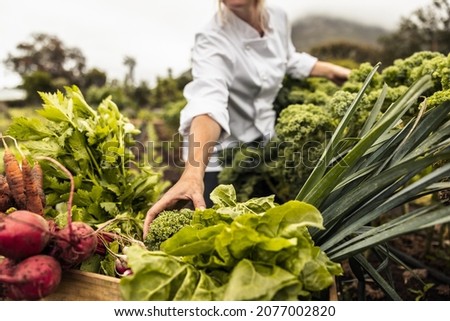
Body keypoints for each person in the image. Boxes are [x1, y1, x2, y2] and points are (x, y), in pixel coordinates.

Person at [143, 0, 351, 237]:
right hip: (219, 152)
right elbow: (208, 99)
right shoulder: (212, 37)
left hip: (263, 140)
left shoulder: (278, 16)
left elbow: (286, 57)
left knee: (261, 230)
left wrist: (333, 71)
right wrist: (192, 174)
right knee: (221, 235)